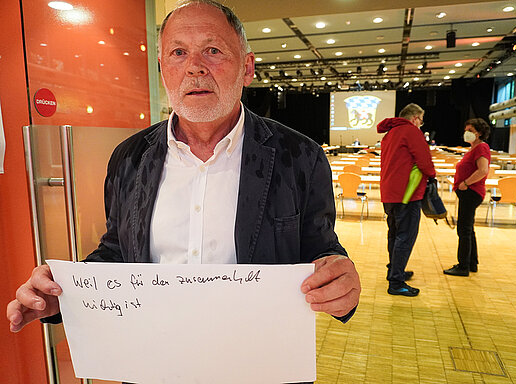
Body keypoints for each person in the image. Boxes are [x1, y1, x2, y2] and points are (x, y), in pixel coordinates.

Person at [7, 0, 360, 335]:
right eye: (178, 53)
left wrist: (338, 278)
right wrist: (65, 291)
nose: (194, 67)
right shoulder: (129, 157)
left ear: (247, 67)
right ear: (163, 70)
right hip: (156, 362)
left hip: (257, 363)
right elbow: (117, 252)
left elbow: (320, 250)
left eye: (213, 50)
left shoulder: (299, 156)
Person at [377, 103, 436, 297]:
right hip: (407, 194)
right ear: (414, 118)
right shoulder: (411, 132)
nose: (421, 124)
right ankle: (396, 282)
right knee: (405, 236)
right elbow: (425, 161)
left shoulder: (389, 134)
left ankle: (395, 270)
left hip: (389, 193)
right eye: (421, 120)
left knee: (394, 234)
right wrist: (432, 174)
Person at [444, 118, 491, 276]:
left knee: (463, 229)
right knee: (468, 229)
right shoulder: (474, 149)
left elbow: (483, 170)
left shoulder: (481, 148)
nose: (467, 133)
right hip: (469, 191)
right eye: (466, 130)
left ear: (479, 133)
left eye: (471, 130)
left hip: (471, 192)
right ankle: (471, 263)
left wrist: (465, 183)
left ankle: (463, 266)